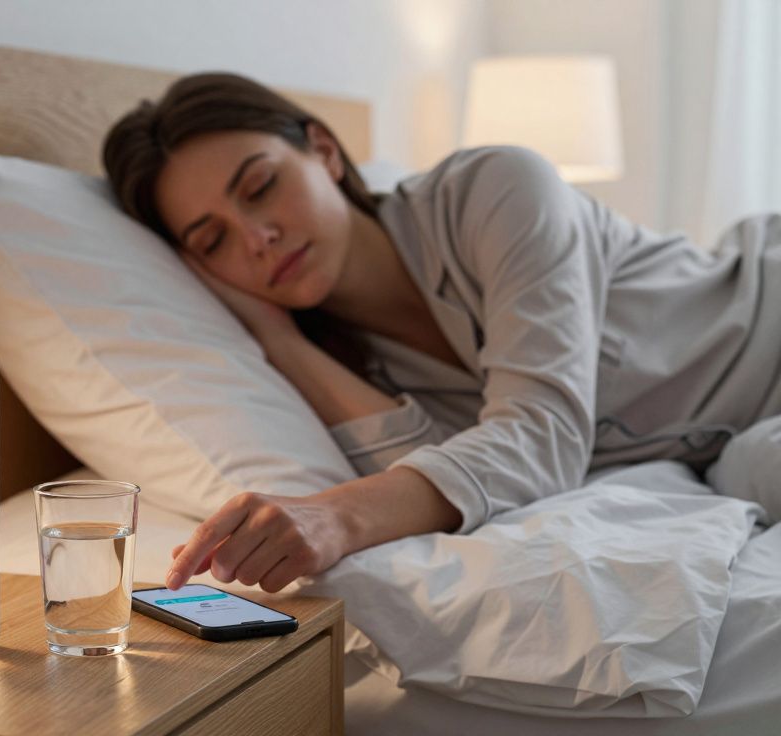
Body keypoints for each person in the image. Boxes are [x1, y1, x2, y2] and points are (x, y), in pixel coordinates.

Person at [102, 72, 781, 594]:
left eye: (259, 188)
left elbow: (541, 438)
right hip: (738, 443)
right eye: (214, 241)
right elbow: (453, 481)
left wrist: (334, 516)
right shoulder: (342, 364)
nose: (257, 238)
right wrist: (281, 345)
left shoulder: (498, 188)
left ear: (325, 151)